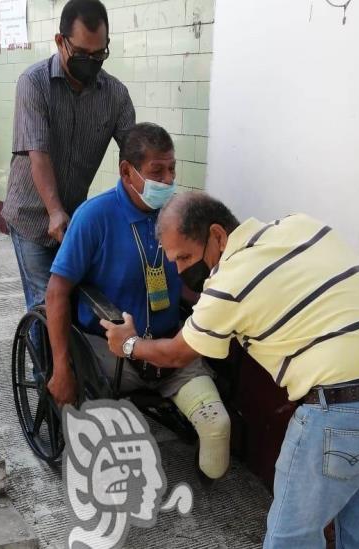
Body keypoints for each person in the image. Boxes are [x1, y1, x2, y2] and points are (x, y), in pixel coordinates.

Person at [100, 192, 359, 548]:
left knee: (290, 538)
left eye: (185, 257)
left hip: (344, 410)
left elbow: (178, 354)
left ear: (218, 236)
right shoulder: (300, 226)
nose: (180, 270)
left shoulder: (230, 283)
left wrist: (128, 344)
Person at [46, 123, 231, 481]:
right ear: (126, 171)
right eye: (157, 171)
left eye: (172, 168)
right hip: (108, 351)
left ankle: (209, 493)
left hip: (168, 350)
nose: (168, 179)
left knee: (218, 428)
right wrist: (60, 367)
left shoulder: (179, 215)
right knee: (114, 460)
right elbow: (56, 292)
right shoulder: (94, 216)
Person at [2, 0, 135, 316]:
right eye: (81, 54)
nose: (90, 62)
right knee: (46, 307)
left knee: (80, 305)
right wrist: (55, 211)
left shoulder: (116, 95)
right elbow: (39, 154)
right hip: (32, 216)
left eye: (98, 55)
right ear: (60, 41)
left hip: (75, 220)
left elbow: (135, 155)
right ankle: (43, 368)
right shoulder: (33, 83)